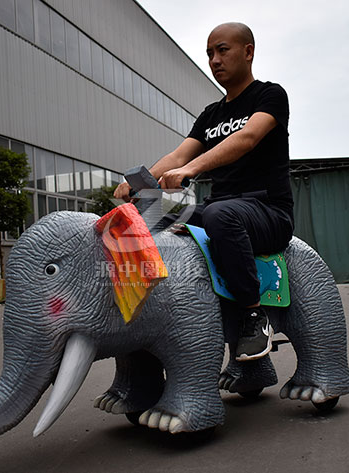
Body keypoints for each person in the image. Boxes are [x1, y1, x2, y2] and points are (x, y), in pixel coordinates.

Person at [114, 22, 293, 361]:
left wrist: (192, 169)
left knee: (218, 214)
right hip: (219, 210)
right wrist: (138, 180)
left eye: (222, 50)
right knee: (144, 211)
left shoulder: (270, 95)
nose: (214, 60)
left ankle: (253, 316)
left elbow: (247, 137)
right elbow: (179, 156)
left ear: (248, 52)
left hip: (267, 212)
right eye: (210, 53)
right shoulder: (211, 114)